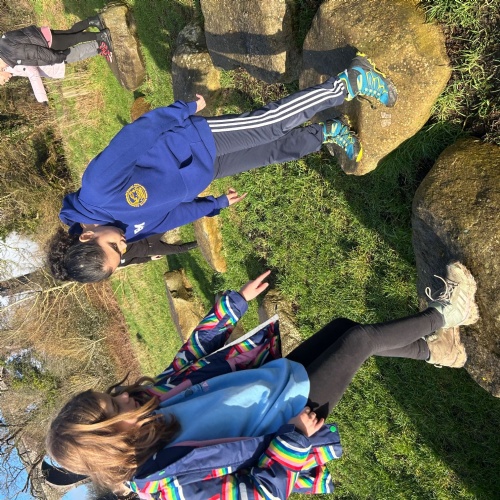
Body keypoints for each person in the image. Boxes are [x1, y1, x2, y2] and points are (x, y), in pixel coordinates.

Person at [46, 261, 478, 498]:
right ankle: (452, 312)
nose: (123, 396)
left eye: (111, 395)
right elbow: (256, 494)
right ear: (109, 440)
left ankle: (440, 351)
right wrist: (293, 440)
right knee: (358, 341)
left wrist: (231, 307)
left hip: (275, 379)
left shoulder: (149, 401)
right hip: (289, 418)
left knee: (343, 328)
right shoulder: (166, 484)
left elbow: (190, 356)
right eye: (114, 407)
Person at [49, 53, 398, 283]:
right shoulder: (121, 230)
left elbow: (135, 137)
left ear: (87, 236)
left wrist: (183, 110)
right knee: (271, 152)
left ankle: (349, 81)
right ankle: (328, 132)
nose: (124, 246)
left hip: (192, 142)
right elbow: (169, 217)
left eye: (114, 247)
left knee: (269, 125)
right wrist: (213, 205)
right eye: (121, 255)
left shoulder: (97, 189)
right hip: (204, 171)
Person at [0, 15, 113, 104]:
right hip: (41, 36)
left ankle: (101, 36)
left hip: (46, 43)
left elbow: (36, 52)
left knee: (74, 38)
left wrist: (56, 58)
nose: (6, 81)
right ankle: (94, 20)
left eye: (3, 81)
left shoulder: (11, 53)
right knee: (71, 33)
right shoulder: (4, 49)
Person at [47, 228, 198, 281]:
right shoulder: (110, 264)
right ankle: (200, 243)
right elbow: (134, 260)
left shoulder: (111, 241)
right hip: (149, 250)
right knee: (178, 249)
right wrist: (149, 258)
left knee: (171, 220)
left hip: (146, 236)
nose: (122, 248)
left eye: (115, 248)